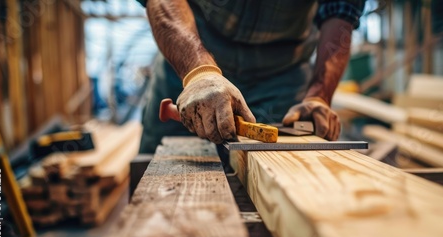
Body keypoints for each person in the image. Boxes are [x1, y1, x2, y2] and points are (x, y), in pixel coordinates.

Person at [137, 0, 365, 153]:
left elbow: (341, 10)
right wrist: (199, 73)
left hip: (283, 72)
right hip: (188, 53)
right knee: (160, 169)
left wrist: (319, 96)